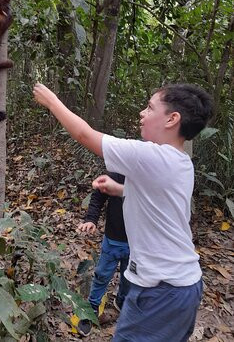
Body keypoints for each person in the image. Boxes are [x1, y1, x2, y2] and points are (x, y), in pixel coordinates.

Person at [33, 82, 213, 342]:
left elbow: (85, 135)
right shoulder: (180, 161)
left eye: (150, 108)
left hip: (160, 290)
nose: (142, 113)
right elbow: (159, 203)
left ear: (172, 119)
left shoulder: (150, 156)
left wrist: (52, 102)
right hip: (182, 285)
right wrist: (120, 189)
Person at [77, 172, 130, 337]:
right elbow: (98, 196)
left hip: (138, 242)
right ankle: (91, 308)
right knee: (102, 275)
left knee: (129, 278)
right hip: (113, 239)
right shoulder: (117, 172)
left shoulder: (148, 174)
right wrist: (91, 219)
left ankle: (122, 301)